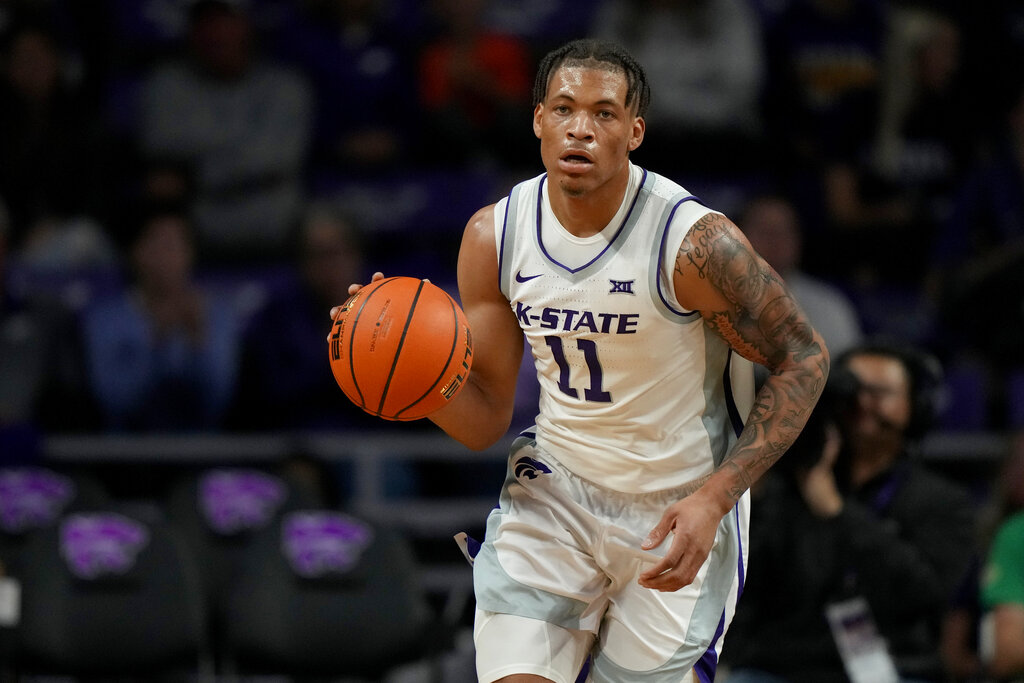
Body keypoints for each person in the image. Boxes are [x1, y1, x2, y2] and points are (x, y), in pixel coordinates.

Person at [338, 39, 829, 682]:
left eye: (603, 113)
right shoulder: (495, 235)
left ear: (635, 130)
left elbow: (806, 358)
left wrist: (715, 500)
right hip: (556, 496)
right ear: (538, 120)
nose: (581, 128)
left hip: (676, 507)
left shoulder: (695, 245)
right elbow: (486, 419)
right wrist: (412, 381)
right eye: (565, 108)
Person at [722, 341, 977, 683]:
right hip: (782, 666)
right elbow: (745, 583)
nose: (861, 403)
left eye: (879, 392)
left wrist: (837, 512)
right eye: (851, 391)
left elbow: (925, 593)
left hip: (896, 666)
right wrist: (765, 473)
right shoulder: (791, 484)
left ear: (915, 406)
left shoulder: (943, 502)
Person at [79, 201, 242, 431]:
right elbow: (116, 400)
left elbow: (217, 401)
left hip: (201, 451)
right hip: (125, 453)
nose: (168, 258)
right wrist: (157, 340)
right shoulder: (105, 318)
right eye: (159, 246)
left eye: (177, 246)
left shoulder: (217, 314)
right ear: (136, 253)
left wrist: (198, 343)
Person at [739, 193, 863, 357]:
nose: (774, 241)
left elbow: (850, 373)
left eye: (784, 231)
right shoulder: (708, 305)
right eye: (763, 230)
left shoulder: (829, 307)